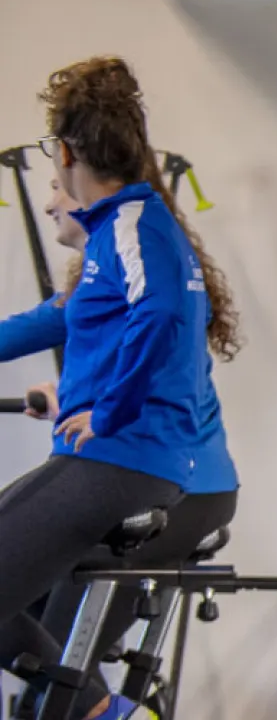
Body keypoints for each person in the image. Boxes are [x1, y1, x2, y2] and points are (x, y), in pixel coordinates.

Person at [0, 57, 234, 720]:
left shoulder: (132, 226)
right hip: (121, 460)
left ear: (67, 151)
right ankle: (99, 709)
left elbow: (162, 316)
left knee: (52, 649)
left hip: (122, 460)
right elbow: (44, 322)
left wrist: (108, 410)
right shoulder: (120, 233)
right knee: (35, 634)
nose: (50, 198)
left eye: (54, 177)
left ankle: (109, 712)